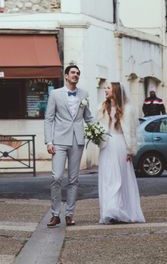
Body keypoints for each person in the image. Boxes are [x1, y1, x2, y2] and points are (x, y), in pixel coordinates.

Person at [44, 64, 94, 227]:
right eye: (73, 72)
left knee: (73, 180)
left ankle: (69, 214)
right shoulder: (55, 94)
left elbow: (88, 117)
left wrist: (98, 132)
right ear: (66, 76)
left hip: (77, 140)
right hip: (58, 140)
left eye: (78, 73)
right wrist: (49, 141)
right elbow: (49, 118)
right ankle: (55, 214)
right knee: (56, 177)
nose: (76, 75)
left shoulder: (84, 94)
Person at [97, 82, 145, 224]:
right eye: (105, 87)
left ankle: (120, 209)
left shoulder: (128, 109)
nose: (105, 90)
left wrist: (130, 150)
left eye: (108, 88)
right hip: (106, 146)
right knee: (108, 177)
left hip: (120, 145)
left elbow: (131, 132)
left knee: (120, 178)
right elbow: (98, 126)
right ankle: (109, 210)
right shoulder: (102, 107)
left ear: (115, 91)